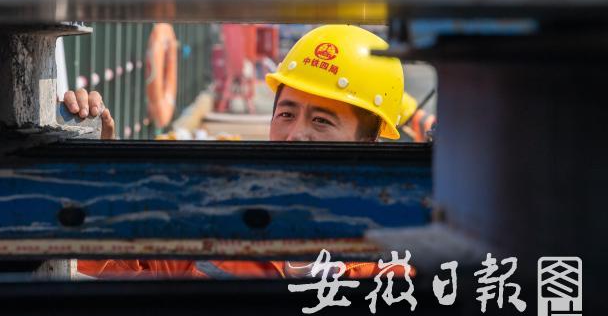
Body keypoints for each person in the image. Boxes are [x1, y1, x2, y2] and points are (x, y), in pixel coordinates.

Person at [62, 25, 404, 279]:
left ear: (368, 144)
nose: (295, 135)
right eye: (286, 114)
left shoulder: (392, 268)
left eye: (321, 121)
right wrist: (96, 180)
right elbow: (100, 267)